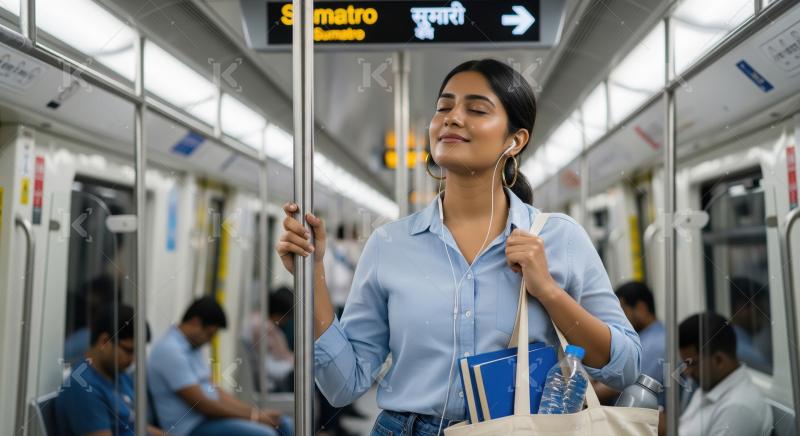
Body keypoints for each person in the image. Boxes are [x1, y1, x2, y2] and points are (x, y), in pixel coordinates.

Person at [277, 59, 642, 435]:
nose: (452, 118)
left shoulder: (560, 238)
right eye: (444, 108)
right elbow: (343, 386)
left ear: (515, 140)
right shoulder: (389, 244)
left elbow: (625, 366)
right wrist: (313, 276)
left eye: (476, 109)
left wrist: (549, 292)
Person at [147, 296, 293, 436]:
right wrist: (253, 417)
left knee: (284, 423)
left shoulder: (192, 348)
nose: (209, 341)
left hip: (209, 418)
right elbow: (202, 404)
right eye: (209, 334)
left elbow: (215, 392)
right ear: (195, 323)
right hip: (192, 426)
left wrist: (257, 413)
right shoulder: (170, 352)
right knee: (265, 434)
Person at [55, 303, 164, 435]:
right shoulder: (84, 389)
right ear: (104, 341)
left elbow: (136, 425)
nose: (133, 360)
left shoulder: (119, 374)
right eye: (129, 351)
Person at [677, 312, 772, 436]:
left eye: (692, 364)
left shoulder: (738, 409)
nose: (686, 372)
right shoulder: (710, 386)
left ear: (719, 360)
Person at [595, 281, 666, 405]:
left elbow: (610, 388)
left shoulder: (656, 343)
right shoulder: (642, 339)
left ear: (641, 309)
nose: (617, 321)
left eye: (621, 313)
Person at [728, 277, 771, 373]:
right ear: (742, 308)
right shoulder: (748, 355)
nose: (765, 316)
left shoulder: (730, 345)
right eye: (760, 310)